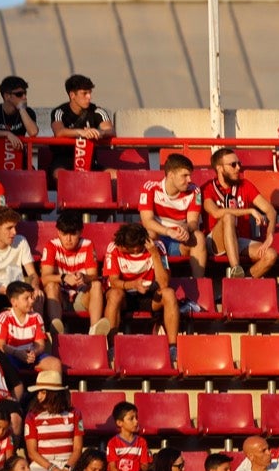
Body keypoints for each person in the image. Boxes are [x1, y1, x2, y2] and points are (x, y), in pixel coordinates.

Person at [102, 222, 180, 356]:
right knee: (114, 295)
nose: (120, 248)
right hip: (124, 296)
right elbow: (113, 282)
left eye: (125, 247)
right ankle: (112, 348)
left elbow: (164, 283)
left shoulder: (157, 247)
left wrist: (154, 254)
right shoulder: (114, 248)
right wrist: (133, 284)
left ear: (137, 248)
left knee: (169, 294)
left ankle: (173, 348)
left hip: (150, 295)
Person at [204, 145, 279, 279]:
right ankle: (236, 268)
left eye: (239, 163)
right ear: (219, 168)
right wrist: (250, 210)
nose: (238, 168)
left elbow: (270, 211)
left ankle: (241, 281)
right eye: (233, 165)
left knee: (271, 254)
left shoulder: (245, 185)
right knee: (228, 216)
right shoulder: (207, 188)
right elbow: (215, 213)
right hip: (215, 241)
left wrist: (270, 235)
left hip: (239, 240)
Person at [38, 209, 109, 337]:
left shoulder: (87, 244)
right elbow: (44, 278)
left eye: (73, 234)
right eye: (65, 234)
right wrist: (64, 277)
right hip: (61, 298)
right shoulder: (51, 245)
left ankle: (95, 332)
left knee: (96, 285)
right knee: (51, 286)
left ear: (80, 232)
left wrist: (84, 277)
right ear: (59, 232)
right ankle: (56, 331)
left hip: (81, 297)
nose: (68, 239)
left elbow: (93, 275)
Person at [137, 152, 207, 278]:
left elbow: (193, 222)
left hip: (179, 240)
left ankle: (199, 283)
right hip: (158, 238)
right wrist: (168, 231)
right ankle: (153, 282)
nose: (189, 180)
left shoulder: (194, 190)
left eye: (190, 175)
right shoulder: (150, 188)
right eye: (184, 176)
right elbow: (147, 221)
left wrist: (186, 229)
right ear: (170, 175)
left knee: (199, 237)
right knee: (149, 233)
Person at [48, 73, 114, 175]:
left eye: (90, 93)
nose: (89, 97)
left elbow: (111, 130)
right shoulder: (59, 112)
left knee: (115, 175)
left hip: (90, 162)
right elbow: (59, 131)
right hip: (63, 161)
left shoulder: (97, 111)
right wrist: (81, 133)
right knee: (60, 174)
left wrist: (100, 132)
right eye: (84, 93)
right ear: (72, 95)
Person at [0, 76, 38, 171]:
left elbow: (33, 132)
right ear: (7, 96)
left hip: (20, 159)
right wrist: (7, 134)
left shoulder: (28, 112)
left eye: (25, 93)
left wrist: (21, 109)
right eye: (19, 94)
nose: (24, 97)